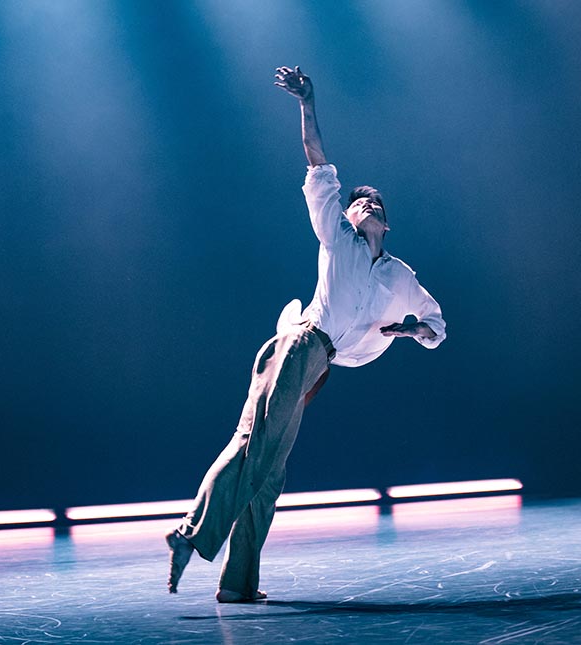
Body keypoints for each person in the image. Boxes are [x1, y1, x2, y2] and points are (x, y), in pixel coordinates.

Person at [166, 65, 447, 603]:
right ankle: (189, 536)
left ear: (386, 226)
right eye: (360, 202)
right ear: (346, 213)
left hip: (320, 366)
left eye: (377, 206)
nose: (368, 205)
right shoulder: (335, 235)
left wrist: (413, 330)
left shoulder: (398, 276)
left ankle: (238, 583)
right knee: (257, 448)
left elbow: (438, 324)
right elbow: (318, 160)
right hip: (299, 343)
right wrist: (307, 102)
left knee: (269, 475)